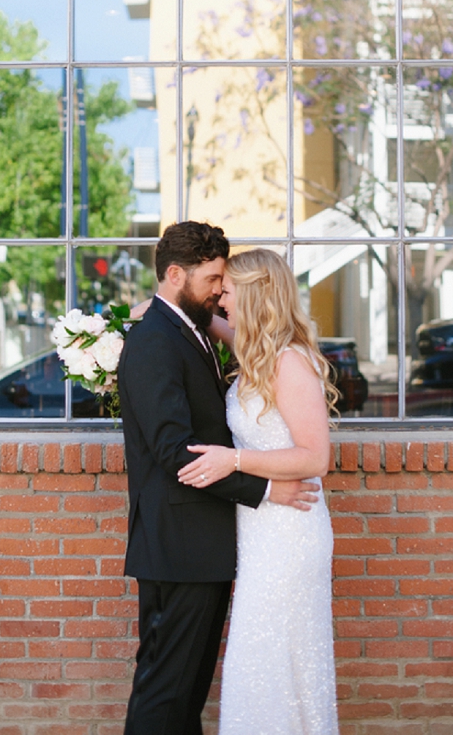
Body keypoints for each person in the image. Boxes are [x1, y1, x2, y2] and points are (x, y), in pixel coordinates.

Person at [118, 222, 320, 735]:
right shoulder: (155, 342)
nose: (218, 291)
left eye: (226, 284)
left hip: (210, 544)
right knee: (166, 690)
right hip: (179, 546)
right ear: (175, 274)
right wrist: (268, 489)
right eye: (212, 280)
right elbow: (175, 451)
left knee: (186, 693)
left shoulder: (194, 328)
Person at [177, 247, 340, 735]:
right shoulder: (255, 350)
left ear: (255, 294)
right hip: (260, 529)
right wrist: (150, 309)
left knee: (276, 658)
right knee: (259, 658)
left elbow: (316, 457)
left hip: (290, 533)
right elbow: (203, 321)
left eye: (228, 290)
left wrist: (235, 460)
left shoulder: (289, 362)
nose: (221, 298)